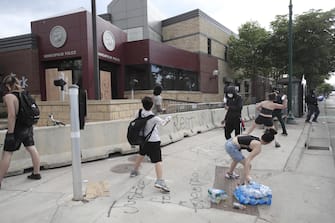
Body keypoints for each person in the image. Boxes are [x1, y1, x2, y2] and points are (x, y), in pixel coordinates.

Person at [0, 75, 41, 189]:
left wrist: (10, 133)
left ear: (8, 85)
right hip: (27, 126)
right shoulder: (25, 94)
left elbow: (12, 115)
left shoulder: (9, 96)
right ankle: (36, 172)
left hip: (17, 128)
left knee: (7, 153)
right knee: (31, 148)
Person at [130, 96, 171, 192]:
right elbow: (163, 123)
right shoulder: (154, 117)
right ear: (152, 105)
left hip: (143, 140)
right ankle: (159, 181)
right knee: (158, 160)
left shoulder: (139, 112)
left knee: (141, 154)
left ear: (143, 104)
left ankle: (134, 171)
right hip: (154, 141)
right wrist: (169, 118)